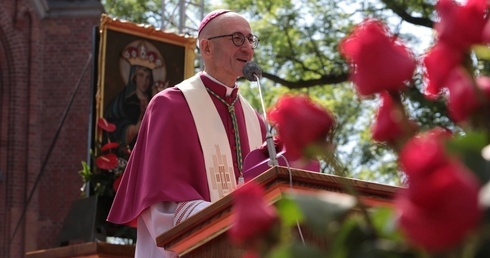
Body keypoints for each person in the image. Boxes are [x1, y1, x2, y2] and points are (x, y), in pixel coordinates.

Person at [107, 9, 266, 258]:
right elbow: (160, 201)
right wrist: (229, 218)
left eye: (250, 39)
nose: (247, 47)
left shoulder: (255, 120)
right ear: (207, 48)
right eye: (237, 38)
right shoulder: (169, 106)